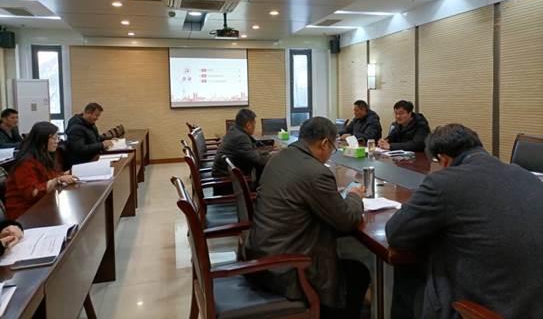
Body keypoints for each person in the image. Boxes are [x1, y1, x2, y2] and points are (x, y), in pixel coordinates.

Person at [386, 124, 543, 319]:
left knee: (407, 270)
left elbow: (396, 234)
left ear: (443, 159)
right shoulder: (526, 176)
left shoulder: (443, 182)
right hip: (533, 304)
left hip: (482, 310)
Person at [244, 117, 370, 319]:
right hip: (287, 269)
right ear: (324, 143)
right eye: (333, 149)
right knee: (358, 272)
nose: (330, 154)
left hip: (261, 255)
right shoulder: (316, 173)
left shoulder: (278, 158)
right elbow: (346, 220)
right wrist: (355, 196)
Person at [5, 122, 77, 219]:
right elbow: (32, 194)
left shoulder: (45, 156)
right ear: (42, 140)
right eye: (54, 138)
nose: (57, 141)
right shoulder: (26, 163)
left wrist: (66, 174)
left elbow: (51, 176)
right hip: (24, 214)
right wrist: (57, 180)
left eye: (58, 138)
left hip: (42, 205)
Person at [212, 109, 270, 194]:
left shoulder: (234, 130)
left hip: (223, 176)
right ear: (248, 125)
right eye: (254, 123)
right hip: (227, 183)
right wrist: (274, 157)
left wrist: (265, 153)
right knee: (264, 168)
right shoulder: (241, 137)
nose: (255, 126)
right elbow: (256, 160)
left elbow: (249, 153)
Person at [65, 103, 114, 167]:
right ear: (88, 113)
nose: (97, 118)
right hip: (83, 162)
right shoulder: (76, 128)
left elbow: (96, 137)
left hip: (93, 157)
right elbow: (80, 149)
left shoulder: (89, 124)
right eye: (96, 115)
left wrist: (109, 139)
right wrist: (102, 145)